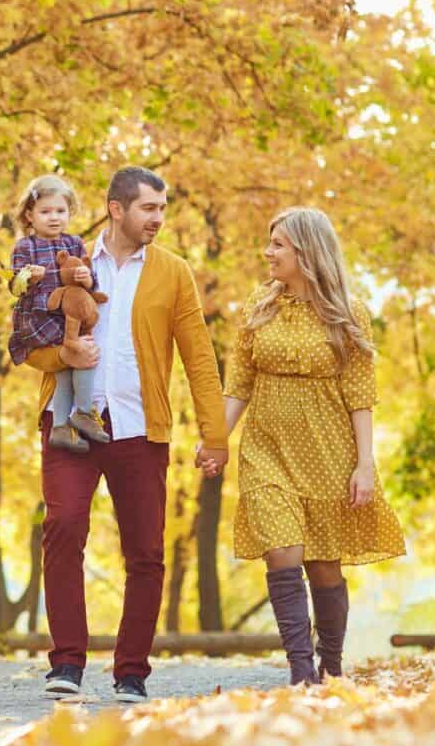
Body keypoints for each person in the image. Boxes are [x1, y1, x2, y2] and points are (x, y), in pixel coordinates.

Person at [25, 166, 228, 702]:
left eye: (162, 208)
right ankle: (66, 663)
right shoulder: (65, 261)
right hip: (71, 423)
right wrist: (62, 354)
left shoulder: (173, 272)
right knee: (64, 527)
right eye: (149, 208)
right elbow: (23, 344)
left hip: (140, 427)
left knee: (145, 552)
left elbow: (199, 356)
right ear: (117, 209)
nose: (158, 218)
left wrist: (215, 435)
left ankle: (131, 671)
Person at [209, 207, 405, 685]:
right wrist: (217, 441)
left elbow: (361, 394)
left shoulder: (348, 311)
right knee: (282, 549)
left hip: (328, 453)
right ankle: (301, 672)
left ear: (307, 251)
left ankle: (330, 665)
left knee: (324, 568)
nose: (268, 252)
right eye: (269, 242)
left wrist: (364, 464)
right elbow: (238, 382)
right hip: (266, 449)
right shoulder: (260, 305)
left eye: (278, 244)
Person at [8, 175, 110, 453]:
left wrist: (85, 278)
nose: (54, 217)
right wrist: (29, 277)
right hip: (40, 319)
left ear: (70, 212)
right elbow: (14, 287)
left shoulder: (75, 243)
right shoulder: (24, 247)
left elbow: (93, 284)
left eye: (60, 211)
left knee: (67, 370)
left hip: (69, 318)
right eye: (45, 211)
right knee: (78, 357)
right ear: (30, 215)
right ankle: (84, 413)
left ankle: (62, 427)